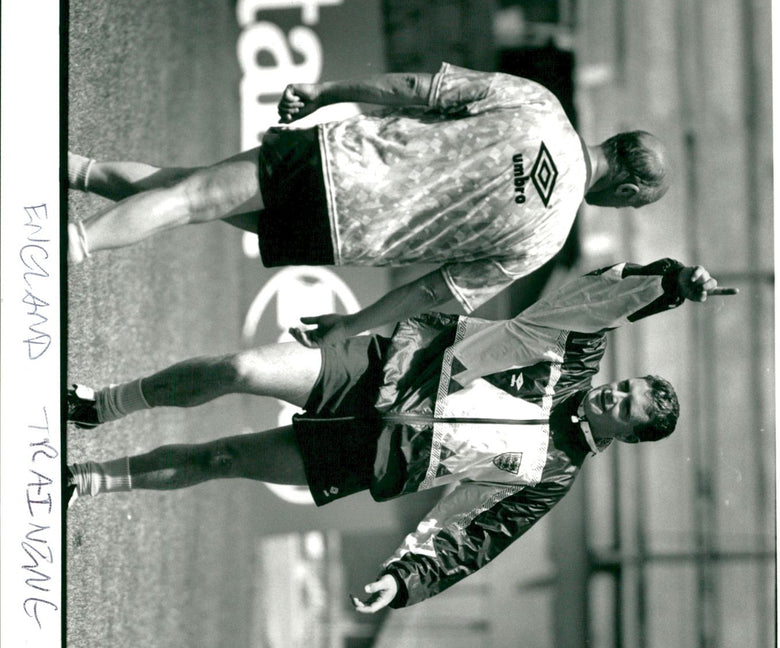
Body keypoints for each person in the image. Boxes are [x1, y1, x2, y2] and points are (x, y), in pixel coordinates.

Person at [66, 258, 736, 612]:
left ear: (628, 433)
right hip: (383, 371)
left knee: (223, 457)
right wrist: (673, 283)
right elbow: (602, 299)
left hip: (378, 457)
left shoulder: (550, 478)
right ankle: (105, 404)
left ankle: (90, 481)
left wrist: (407, 578)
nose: (614, 393)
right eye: (627, 386)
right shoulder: (574, 356)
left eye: (626, 405)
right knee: (239, 368)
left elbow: (470, 536)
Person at [67, 64, 670, 346]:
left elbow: (417, 90)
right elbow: (438, 292)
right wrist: (352, 325)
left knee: (190, 197)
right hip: (344, 236)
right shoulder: (547, 237)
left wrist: (329, 93)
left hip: (336, 160)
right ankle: (74, 170)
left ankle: (72, 243)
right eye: (631, 208)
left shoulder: (537, 103)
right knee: (188, 191)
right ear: (625, 193)